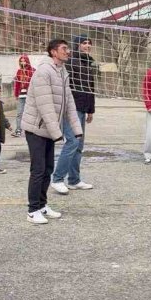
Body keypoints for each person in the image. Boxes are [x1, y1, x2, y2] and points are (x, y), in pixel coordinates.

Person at [21, 39, 84, 224]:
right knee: (38, 170)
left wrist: (76, 129)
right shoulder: (44, 71)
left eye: (68, 49)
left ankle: (42, 205)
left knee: (48, 169)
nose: (68, 51)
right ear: (53, 52)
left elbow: (69, 103)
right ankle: (33, 210)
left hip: (48, 130)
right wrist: (57, 133)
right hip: (36, 128)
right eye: (64, 49)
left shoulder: (62, 71)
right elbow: (45, 105)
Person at [51, 34, 98, 194]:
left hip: (83, 108)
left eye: (89, 43)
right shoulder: (70, 62)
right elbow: (65, 87)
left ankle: (74, 180)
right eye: (84, 43)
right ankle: (57, 179)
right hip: (71, 109)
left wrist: (90, 109)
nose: (87, 45)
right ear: (77, 45)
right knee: (72, 142)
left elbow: (91, 88)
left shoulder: (89, 63)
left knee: (79, 145)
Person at [12, 54, 35, 137]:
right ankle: (18, 130)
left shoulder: (32, 70)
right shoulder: (19, 71)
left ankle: (31, 130)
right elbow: (17, 84)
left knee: (30, 113)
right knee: (19, 113)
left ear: (27, 61)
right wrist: (16, 94)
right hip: (21, 95)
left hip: (30, 95)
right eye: (21, 61)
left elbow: (34, 83)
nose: (22, 62)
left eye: (24, 60)